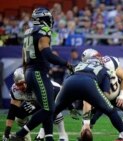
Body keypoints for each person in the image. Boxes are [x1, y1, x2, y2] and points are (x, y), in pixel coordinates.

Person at [10, 8, 73, 141]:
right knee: (49, 109)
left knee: (47, 107)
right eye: (48, 18)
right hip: (38, 72)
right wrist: (66, 63)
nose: (51, 21)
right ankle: (20, 135)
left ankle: (49, 138)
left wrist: (27, 71)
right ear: (43, 19)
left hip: (30, 71)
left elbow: (24, 56)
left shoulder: (28, 31)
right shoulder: (43, 31)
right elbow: (48, 54)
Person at [53, 58, 123, 141]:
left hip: (69, 83)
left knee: (52, 112)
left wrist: (71, 107)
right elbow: (106, 93)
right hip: (89, 84)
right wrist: (99, 103)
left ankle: (45, 135)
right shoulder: (104, 69)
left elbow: (68, 82)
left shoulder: (78, 65)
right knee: (111, 111)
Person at [80, 49, 123, 141]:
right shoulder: (89, 72)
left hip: (116, 93)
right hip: (101, 98)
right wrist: (86, 123)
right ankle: (85, 137)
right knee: (88, 120)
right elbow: (87, 100)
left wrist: (122, 95)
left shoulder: (109, 62)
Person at [3, 68, 69, 141]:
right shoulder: (15, 90)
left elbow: (48, 109)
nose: (22, 86)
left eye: (23, 83)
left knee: (51, 111)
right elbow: (12, 110)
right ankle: (25, 137)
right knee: (19, 116)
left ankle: (63, 135)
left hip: (55, 94)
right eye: (19, 84)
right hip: (36, 100)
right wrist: (7, 130)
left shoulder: (40, 85)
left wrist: (41, 134)